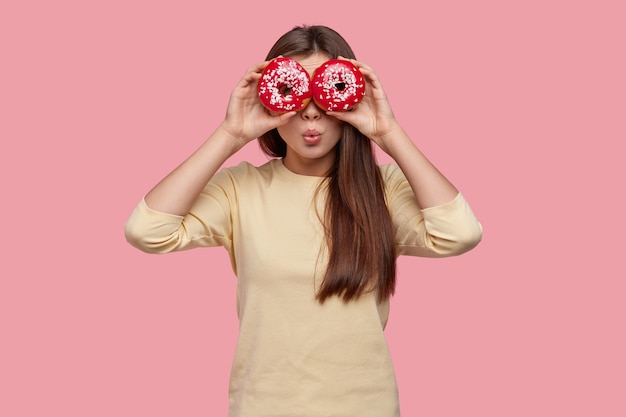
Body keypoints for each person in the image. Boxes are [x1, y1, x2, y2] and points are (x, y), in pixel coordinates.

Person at [125, 25, 482, 417]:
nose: (311, 112)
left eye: (325, 93)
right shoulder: (241, 189)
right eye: (295, 94)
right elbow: (147, 230)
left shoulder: (384, 191)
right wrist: (230, 133)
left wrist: (388, 132)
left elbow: (459, 234)